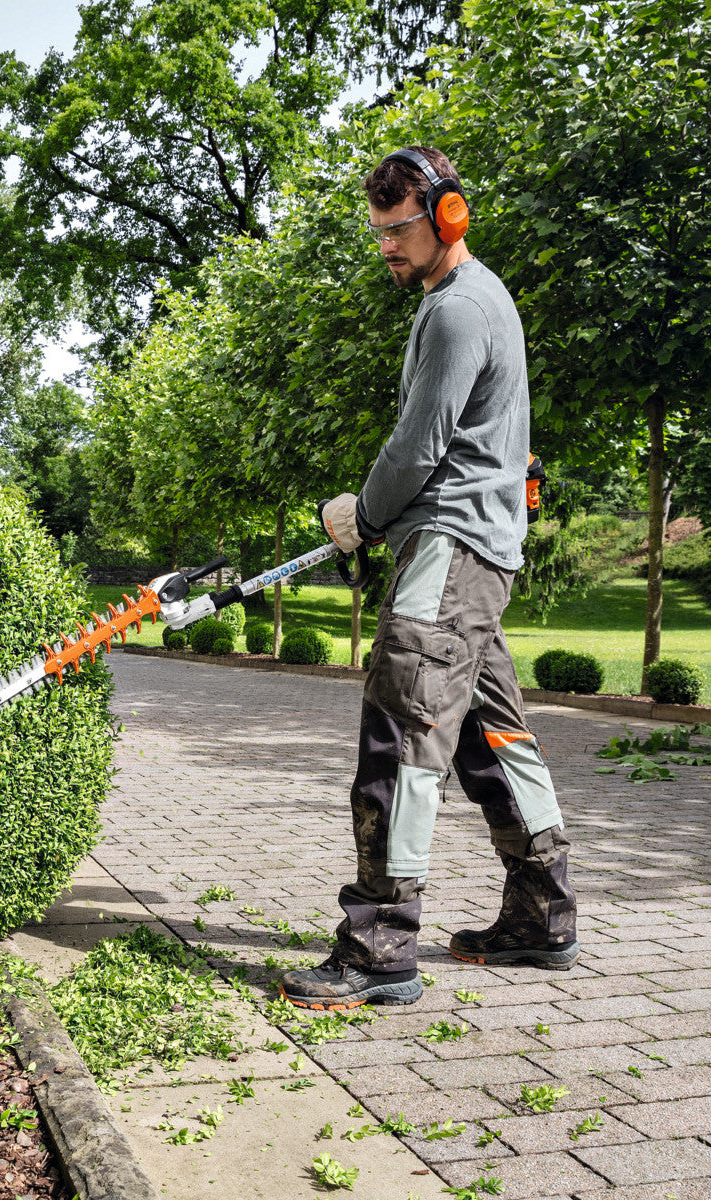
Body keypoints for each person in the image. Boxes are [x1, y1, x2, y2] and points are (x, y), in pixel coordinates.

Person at [280, 146, 579, 1011]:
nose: (385, 246)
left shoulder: (457, 312)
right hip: (479, 555)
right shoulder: (477, 298)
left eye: (398, 229)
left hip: (447, 551)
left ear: (448, 215)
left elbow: (419, 445)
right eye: (376, 231)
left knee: (402, 738)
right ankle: (541, 917)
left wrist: (362, 518)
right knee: (494, 739)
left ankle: (379, 945)